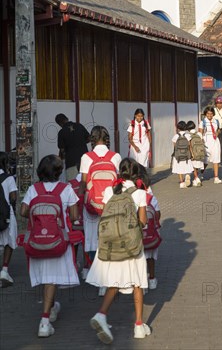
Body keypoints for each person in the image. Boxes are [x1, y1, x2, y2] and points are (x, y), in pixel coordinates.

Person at [86, 158, 150, 343]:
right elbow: (143, 222)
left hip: (111, 244)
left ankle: (102, 314)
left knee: (114, 282)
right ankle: (139, 325)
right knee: (137, 283)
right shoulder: (139, 193)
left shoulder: (109, 191)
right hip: (132, 245)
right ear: (136, 173)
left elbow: (105, 215)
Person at [20, 155, 79, 338]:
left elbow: (23, 212)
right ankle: (44, 322)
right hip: (58, 241)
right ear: (59, 172)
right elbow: (75, 216)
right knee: (52, 278)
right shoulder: (66, 189)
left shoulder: (33, 189)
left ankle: (52, 307)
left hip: (38, 241)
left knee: (47, 279)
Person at [79, 126, 121, 280]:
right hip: (110, 205)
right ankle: (108, 274)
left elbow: (83, 183)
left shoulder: (86, 157)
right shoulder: (115, 156)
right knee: (109, 237)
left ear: (92, 139)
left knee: (91, 238)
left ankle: (91, 271)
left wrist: (80, 199)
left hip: (91, 205)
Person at [136, 165, 161, 290]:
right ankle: (152, 279)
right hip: (151, 234)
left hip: (137, 235)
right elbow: (158, 215)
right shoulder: (152, 198)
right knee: (150, 257)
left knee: (139, 259)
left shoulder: (133, 198)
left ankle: (141, 283)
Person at [0, 152, 17, 287]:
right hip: (6, 214)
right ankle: (4, 270)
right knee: (9, 241)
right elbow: (13, 197)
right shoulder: (9, 178)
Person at [55, 114, 90, 181]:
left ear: (59, 124)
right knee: (86, 183)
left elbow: (62, 150)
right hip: (84, 161)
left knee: (73, 184)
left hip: (71, 163)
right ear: (67, 118)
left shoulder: (61, 132)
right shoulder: (79, 126)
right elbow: (89, 138)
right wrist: (81, 143)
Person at [199, 107, 222, 184]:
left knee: (216, 159)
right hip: (206, 141)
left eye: (211, 113)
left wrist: (217, 133)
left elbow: (218, 129)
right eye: (208, 113)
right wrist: (201, 142)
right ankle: (201, 173)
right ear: (205, 114)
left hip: (215, 141)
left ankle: (216, 177)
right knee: (205, 160)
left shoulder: (216, 121)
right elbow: (200, 133)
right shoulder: (203, 122)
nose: (210, 115)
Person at [171, 121, 194, 189]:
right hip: (186, 155)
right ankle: (187, 175)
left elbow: (175, 146)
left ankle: (181, 182)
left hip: (178, 156)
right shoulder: (187, 135)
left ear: (178, 128)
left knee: (179, 169)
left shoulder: (175, 136)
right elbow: (189, 145)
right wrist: (192, 154)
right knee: (187, 167)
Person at [186, 120, 205, 187]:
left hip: (193, 153)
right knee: (197, 167)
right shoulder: (199, 134)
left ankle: (197, 179)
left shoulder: (188, 135)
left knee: (193, 167)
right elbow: (203, 142)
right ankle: (195, 179)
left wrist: (192, 154)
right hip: (200, 152)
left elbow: (189, 145)